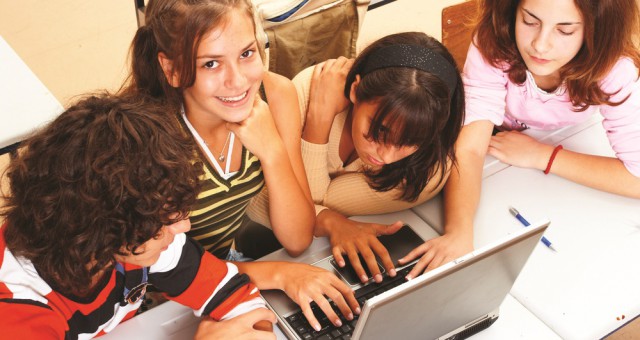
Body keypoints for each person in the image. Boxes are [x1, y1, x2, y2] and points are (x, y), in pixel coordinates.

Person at [121, 0, 359, 330]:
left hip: (228, 270)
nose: (238, 81)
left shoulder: (275, 95)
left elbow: (297, 238)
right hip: (154, 296)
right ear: (172, 70)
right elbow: (163, 268)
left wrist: (273, 152)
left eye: (247, 54)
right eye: (210, 64)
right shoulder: (149, 138)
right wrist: (280, 275)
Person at [0, 93, 276, 339]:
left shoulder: (138, 241)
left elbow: (234, 295)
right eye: (165, 220)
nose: (183, 226)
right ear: (101, 229)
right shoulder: (18, 312)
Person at [443, 0, 640, 264]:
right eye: (530, 21)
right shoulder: (494, 41)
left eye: (565, 30)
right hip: (495, 153)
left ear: (598, 31)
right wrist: (458, 231)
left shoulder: (615, 69)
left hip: (556, 144)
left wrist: (542, 156)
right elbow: (469, 148)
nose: (540, 45)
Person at [291, 32, 465, 282]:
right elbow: (267, 204)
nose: (385, 155)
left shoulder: (427, 171)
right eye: (377, 132)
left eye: (409, 143)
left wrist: (325, 217)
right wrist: (319, 116)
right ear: (355, 90)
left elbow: (310, 202)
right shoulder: (314, 89)